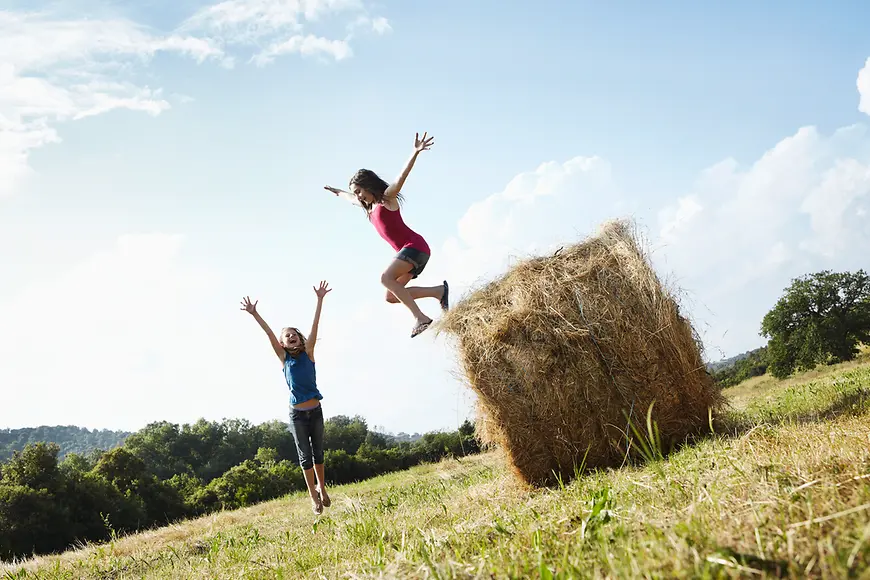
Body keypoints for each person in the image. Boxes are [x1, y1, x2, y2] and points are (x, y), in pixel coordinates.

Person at [324, 131, 448, 338]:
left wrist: (415, 152)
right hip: (414, 252)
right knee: (391, 296)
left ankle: (421, 318)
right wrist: (337, 192)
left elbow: (401, 178)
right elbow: (348, 198)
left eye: (360, 191)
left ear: (369, 186)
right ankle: (438, 292)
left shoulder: (386, 199)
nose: (359, 196)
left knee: (385, 278)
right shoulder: (369, 208)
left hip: (414, 247)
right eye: (356, 193)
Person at [240, 281, 332, 515]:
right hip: (297, 415)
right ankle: (313, 497)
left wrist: (320, 300)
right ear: (282, 343)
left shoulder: (309, 354)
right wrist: (255, 314)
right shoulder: (284, 359)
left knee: (318, 453)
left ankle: (323, 487)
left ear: (301, 340)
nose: (291, 337)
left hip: (316, 410)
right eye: (287, 336)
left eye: (294, 335)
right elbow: (270, 333)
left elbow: (315, 326)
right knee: (305, 457)